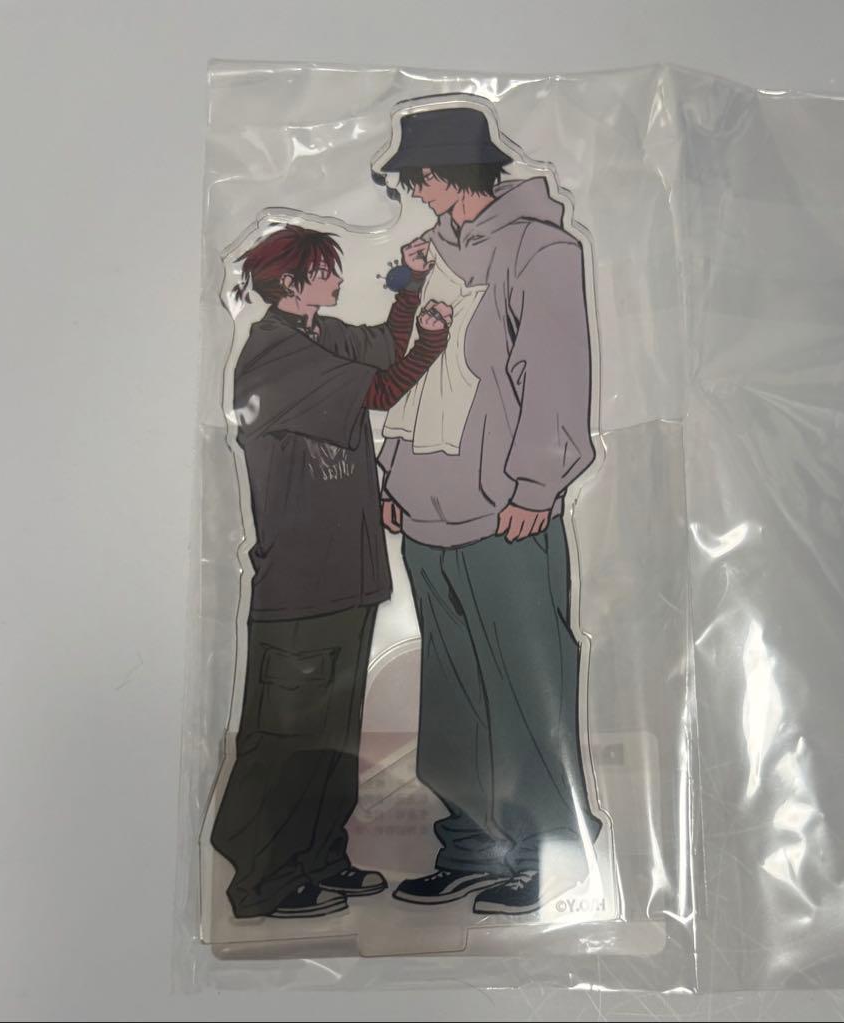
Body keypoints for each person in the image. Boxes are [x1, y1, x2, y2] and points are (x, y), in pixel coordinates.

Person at [376, 104, 602, 915]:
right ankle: (474, 846)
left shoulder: (542, 250)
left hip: (505, 511)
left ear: (450, 173)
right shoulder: (431, 252)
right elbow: (417, 374)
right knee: (454, 693)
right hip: (426, 507)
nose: (414, 191)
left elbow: (556, 374)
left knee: (525, 687)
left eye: (420, 177)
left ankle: (551, 850)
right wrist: (392, 477)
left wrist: (537, 485)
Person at [211, 224, 452, 919]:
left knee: (334, 731)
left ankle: (318, 856)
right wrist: (425, 339)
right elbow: (383, 382)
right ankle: (261, 881)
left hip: (347, 573)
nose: (339, 280)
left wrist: (411, 292)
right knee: (287, 737)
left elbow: (379, 355)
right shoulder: (275, 354)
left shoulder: (319, 334)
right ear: (291, 283)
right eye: (325, 272)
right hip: (300, 583)